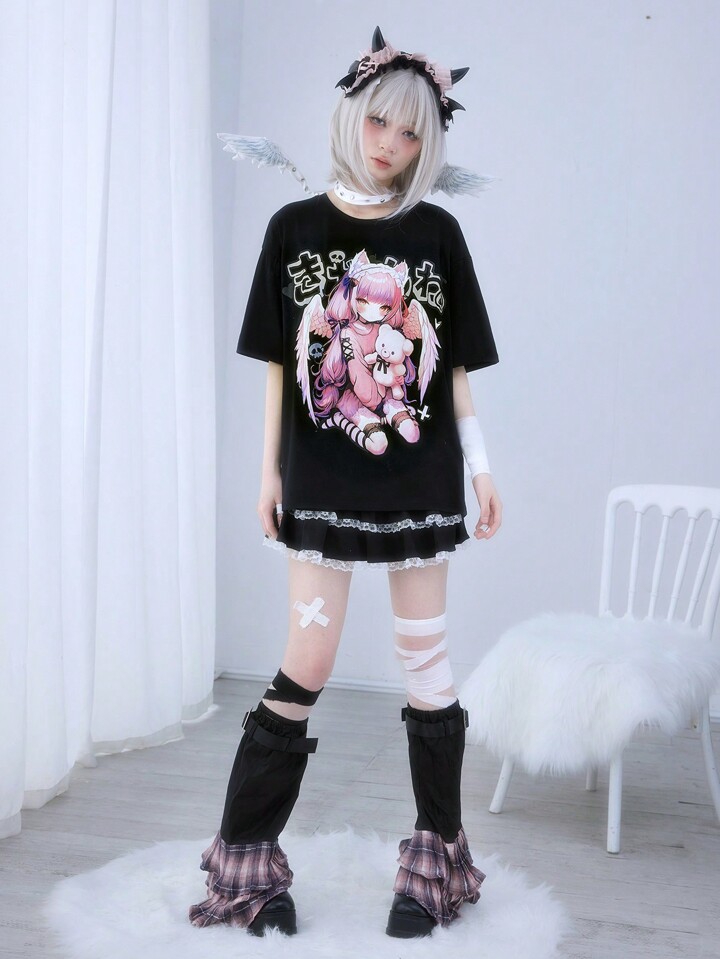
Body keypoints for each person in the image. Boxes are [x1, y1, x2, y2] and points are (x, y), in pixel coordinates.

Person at [189, 25, 502, 939]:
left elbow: (454, 371)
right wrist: (267, 473)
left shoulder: (438, 233)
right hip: (321, 480)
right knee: (309, 660)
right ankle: (245, 864)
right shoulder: (293, 228)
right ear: (351, 112)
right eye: (378, 122)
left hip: (422, 481)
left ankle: (434, 867)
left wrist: (482, 468)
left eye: (411, 133)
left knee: (426, 662)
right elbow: (279, 370)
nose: (390, 144)